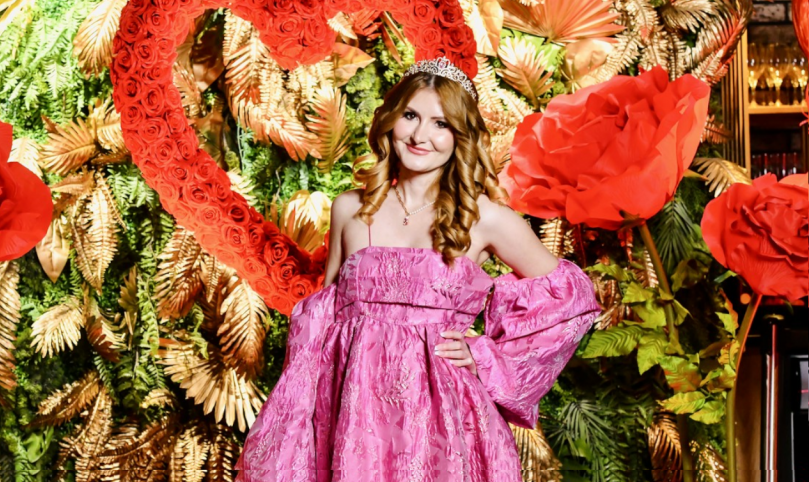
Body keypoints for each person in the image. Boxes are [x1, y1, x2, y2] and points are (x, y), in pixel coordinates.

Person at [234, 56, 603, 482]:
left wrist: (486, 356)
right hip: (355, 417)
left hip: (446, 420)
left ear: (460, 135)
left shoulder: (485, 218)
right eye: (410, 116)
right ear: (390, 119)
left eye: (440, 123)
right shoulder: (349, 209)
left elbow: (568, 299)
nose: (420, 135)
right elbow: (321, 327)